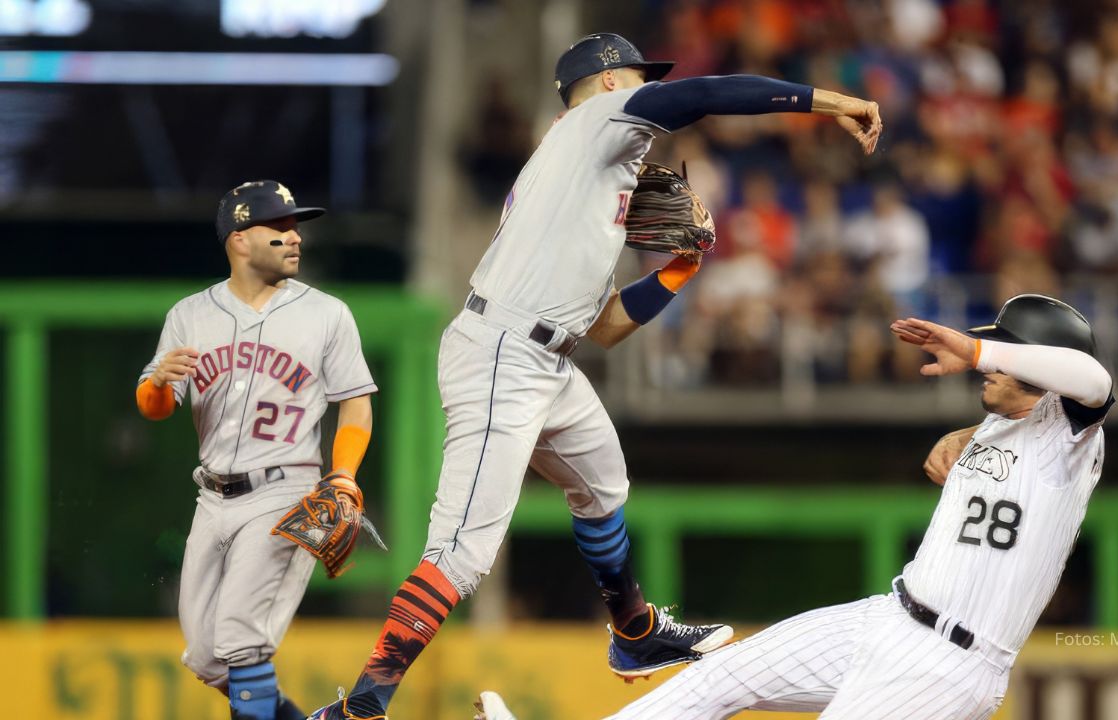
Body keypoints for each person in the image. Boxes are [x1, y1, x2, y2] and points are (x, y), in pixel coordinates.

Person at [309, 32, 882, 720]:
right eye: (642, 78)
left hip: (547, 357)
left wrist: (676, 271)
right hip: (502, 354)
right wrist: (831, 102)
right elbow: (703, 94)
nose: (651, 89)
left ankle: (636, 634)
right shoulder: (595, 121)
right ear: (613, 82)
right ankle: (363, 707)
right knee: (462, 555)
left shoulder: (588, 174)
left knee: (603, 484)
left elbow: (606, 329)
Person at [476, 293, 1115, 720]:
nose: (984, 361)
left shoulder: (1074, 434)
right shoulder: (1000, 421)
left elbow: (1093, 380)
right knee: (719, 677)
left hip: (953, 660)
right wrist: (960, 434)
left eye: (1002, 352)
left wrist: (979, 351)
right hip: (888, 617)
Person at [136, 180, 378, 720]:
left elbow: (356, 404)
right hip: (212, 498)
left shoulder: (327, 314)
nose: (296, 238)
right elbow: (156, 406)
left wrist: (342, 474)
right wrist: (156, 386)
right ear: (240, 238)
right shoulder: (189, 314)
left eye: (297, 227)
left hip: (285, 490)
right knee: (204, 656)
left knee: (242, 637)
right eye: (281, 228)